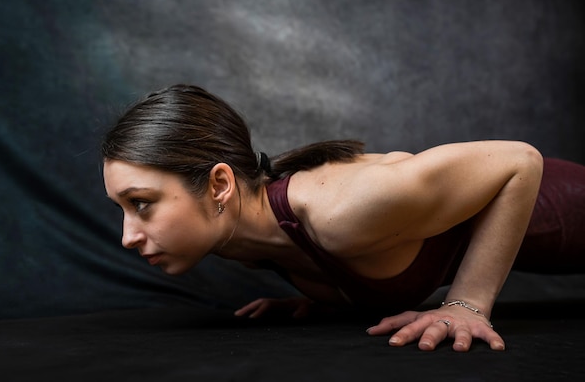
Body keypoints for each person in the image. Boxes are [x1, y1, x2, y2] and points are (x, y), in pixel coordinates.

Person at [102, 84, 585, 352]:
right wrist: (336, 298)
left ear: (220, 185)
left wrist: (468, 305)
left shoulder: (339, 211)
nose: (127, 236)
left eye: (141, 202)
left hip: (562, 210)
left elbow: (520, 161)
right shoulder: (244, 244)